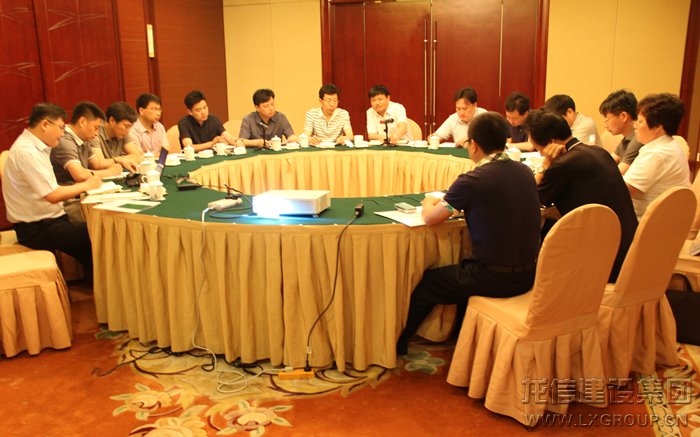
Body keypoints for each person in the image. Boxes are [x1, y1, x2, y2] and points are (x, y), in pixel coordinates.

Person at [396, 112, 541, 356]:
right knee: (462, 272)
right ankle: (462, 337)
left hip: (494, 278)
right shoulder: (525, 172)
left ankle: (399, 344)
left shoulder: (473, 179)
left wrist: (428, 202)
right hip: (530, 274)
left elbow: (430, 219)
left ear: (473, 145)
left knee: (430, 283)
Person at [523, 109, 637, 282]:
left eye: (539, 149)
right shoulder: (598, 151)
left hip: (605, 260)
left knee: (543, 237)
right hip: (629, 247)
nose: (540, 154)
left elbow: (533, 198)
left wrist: (545, 164)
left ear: (551, 143)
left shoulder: (563, 164)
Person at [2, 103, 101, 271]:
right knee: (99, 234)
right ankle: (106, 282)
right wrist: (87, 184)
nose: (62, 134)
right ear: (45, 124)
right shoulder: (27, 152)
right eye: (61, 128)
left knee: (93, 237)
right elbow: (52, 195)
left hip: (49, 221)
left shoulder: (35, 147)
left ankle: (99, 280)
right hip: (37, 229)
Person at [50, 101, 124, 222]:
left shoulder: (83, 139)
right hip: (69, 202)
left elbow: (97, 164)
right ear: (82, 122)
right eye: (96, 127)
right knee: (112, 217)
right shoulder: (64, 140)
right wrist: (111, 172)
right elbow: (79, 174)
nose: (97, 133)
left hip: (83, 194)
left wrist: (120, 162)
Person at [623, 93, 690, 219]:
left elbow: (622, 191)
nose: (634, 125)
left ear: (658, 127)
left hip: (644, 223)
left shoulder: (656, 154)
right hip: (668, 220)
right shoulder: (671, 145)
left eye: (640, 121)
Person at [599, 90, 644, 175]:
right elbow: (607, 162)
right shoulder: (627, 138)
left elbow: (617, 175)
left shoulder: (638, 139)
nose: (605, 125)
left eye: (607, 119)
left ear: (623, 116)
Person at [90, 101, 141, 170]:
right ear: (112, 121)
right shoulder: (95, 133)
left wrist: (119, 160)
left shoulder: (124, 132)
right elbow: (100, 164)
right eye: (126, 126)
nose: (128, 131)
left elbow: (137, 156)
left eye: (130, 127)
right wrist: (119, 160)